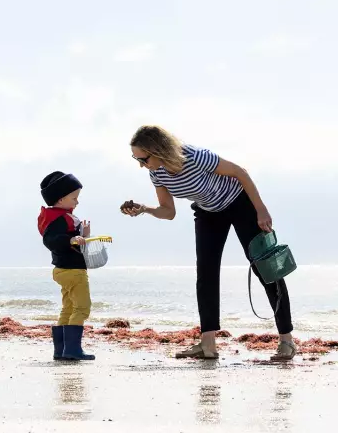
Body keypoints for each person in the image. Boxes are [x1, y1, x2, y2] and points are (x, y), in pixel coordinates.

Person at [121, 125, 296, 361]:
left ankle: (286, 340)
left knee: (265, 268)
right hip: (208, 212)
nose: (141, 165)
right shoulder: (157, 173)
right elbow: (168, 211)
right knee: (206, 273)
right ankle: (208, 345)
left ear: (159, 149)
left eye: (143, 159)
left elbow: (240, 172)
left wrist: (261, 209)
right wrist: (144, 209)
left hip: (239, 202)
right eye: (137, 159)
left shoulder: (194, 156)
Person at [39, 171, 96, 362]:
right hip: (73, 271)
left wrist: (83, 235)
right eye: (74, 198)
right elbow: (51, 240)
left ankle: (61, 350)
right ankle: (72, 350)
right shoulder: (58, 219)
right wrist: (71, 239)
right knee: (82, 307)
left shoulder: (59, 217)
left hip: (62, 270)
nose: (77, 202)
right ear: (61, 199)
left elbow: (71, 241)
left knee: (68, 308)